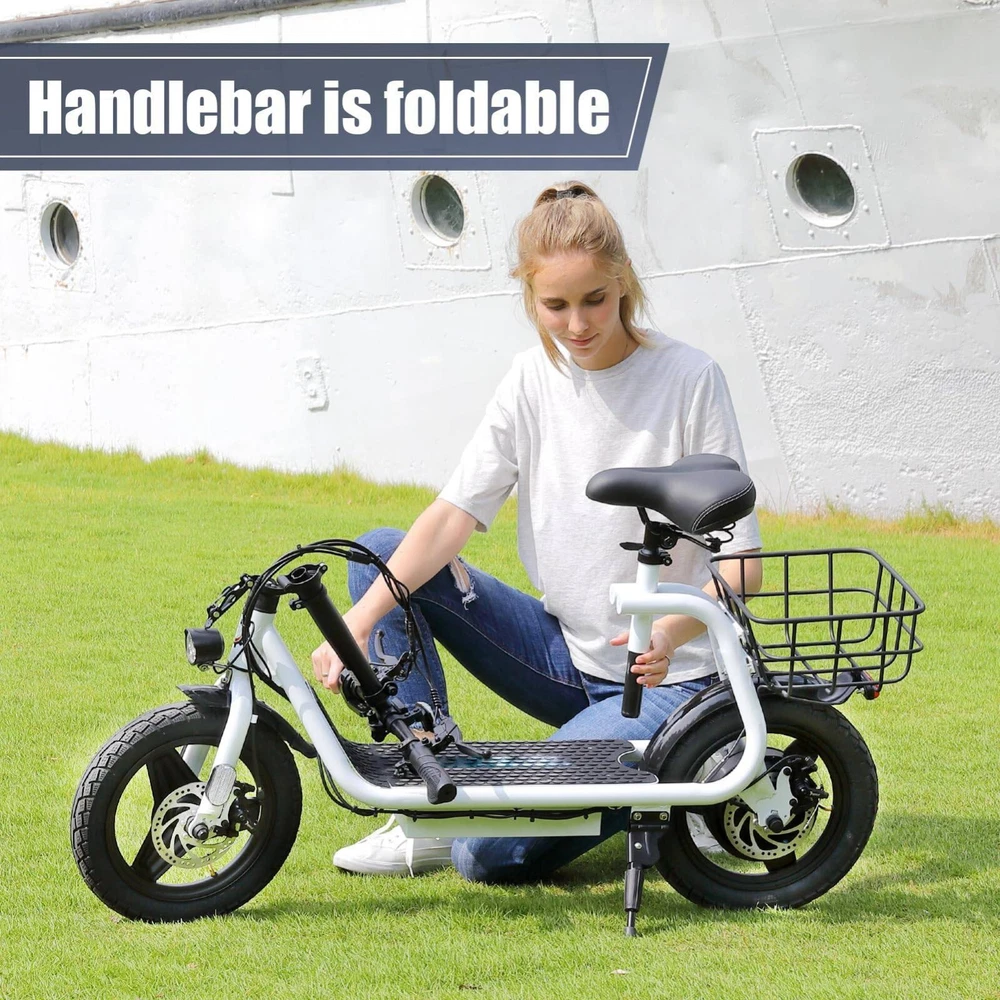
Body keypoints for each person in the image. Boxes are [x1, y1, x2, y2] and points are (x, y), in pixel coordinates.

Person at [311, 180, 762, 882]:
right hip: (565, 658)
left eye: (594, 300)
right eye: (555, 305)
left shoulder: (690, 378)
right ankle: (426, 803)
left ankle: (694, 767)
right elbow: (453, 515)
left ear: (623, 281)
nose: (577, 324)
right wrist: (360, 622)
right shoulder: (529, 380)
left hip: (673, 681)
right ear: (530, 297)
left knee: (486, 856)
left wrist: (671, 635)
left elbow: (743, 567)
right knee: (380, 554)